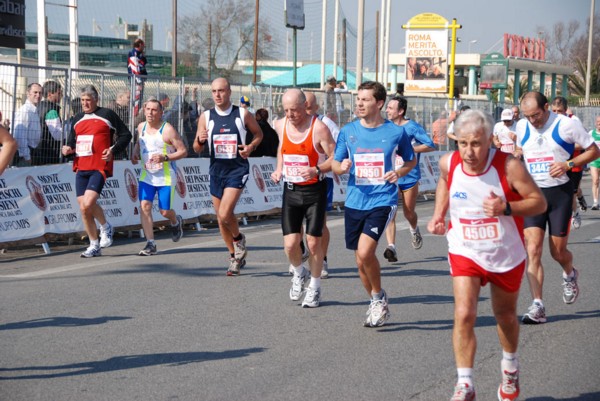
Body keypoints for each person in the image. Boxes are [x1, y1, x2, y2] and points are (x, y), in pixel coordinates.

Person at [427, 109, 547, 401]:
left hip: (504, 252)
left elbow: (539, 203)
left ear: (490, 141)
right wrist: (439, 214)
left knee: (505, 316)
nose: (469, 151)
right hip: (464, 248)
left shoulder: (509, 167)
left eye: (477, 144)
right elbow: (445, 179)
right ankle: (465, 383)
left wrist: (506, 208)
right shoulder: (449, 162)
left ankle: (510, 367)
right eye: (463, 143)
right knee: (464, 313)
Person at [332, 81, 416, 327]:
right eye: (358, 99)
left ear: (379, 103)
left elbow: (410, 161)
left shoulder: (395, 132)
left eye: (365, 99)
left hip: (383, 199)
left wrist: (398, 173)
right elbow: (336, 163)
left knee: (367, 252)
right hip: (355, 200)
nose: (359, 103)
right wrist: (342, 166)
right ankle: (376, 298)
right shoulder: (348, 131)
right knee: (360, 260)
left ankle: (377, 299)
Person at [515, 91, 600, 324]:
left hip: (559, 194)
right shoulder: (521, 127)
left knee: (557, 252)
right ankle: (538, 305)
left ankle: (570, 274)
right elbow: (521, 149)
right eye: (527, 116)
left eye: (536, 115)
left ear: (547, 108)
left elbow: (594, 151)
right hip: (533, 194)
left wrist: (568, 164)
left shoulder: (566, 125)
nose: (532, 121)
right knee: (532, 249)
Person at [271, 89, 335, 307]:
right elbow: (282, 148)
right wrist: (279, 169)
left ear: (305, 107)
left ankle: (315, 287)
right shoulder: (281, 125)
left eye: (295, 110)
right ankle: (299, 273)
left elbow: (335, 158)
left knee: (313, 242)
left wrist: (317, 169)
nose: (290, 114)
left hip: (315, 191)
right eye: (286, 110)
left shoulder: (319, 128)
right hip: (291, 190)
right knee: (290, 245)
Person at [193, 77, 263, 276]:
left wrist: (250, 146)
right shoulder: (206, 116)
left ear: (229, 92)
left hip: (237, 170)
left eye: (221, 91)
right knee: (220, 219)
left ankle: (238, 238)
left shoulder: (241, 113)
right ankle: (234, 257)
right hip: (216, 171)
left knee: (225, 213)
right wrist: (200, 139)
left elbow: (258, 134)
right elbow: (196, 148)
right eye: (214, 91)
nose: (217, 95)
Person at [61, 85, 132, 258]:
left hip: (99, 166)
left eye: (88, 100)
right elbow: (72, 142)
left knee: (87, 204)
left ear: (96, 100)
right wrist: (67, 149)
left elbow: (126, 135)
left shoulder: (107, 114)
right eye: (83, 100)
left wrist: (113, 150)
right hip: (81, 167)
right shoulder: (77, 118)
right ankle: (95, 242)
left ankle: (104, 228)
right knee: (85, 208)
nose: (85, 103)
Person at [383, 96, 436, 262]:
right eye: (387, 107)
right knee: (390, 212)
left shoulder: (412, 127)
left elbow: (430, 145)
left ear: (401, 111)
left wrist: (410, 149)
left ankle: (414, 230)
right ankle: (391, 247)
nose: (387, 110)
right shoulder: (385, 127)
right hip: (391, 175)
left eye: (391, 108)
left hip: (409, 175)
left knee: (408, 212)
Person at [131, 99, 187, 256]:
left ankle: (175, 221)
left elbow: (183, 151)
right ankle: (150, 243)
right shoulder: (141, 127)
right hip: (146, 175)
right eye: (147, 109)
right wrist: (135, 152)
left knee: (164, 211)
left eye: (154, 110)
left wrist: (165, 158)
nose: (150, 112)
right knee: (145, 206)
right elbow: (139, 143)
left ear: (161, 112)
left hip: (165, 177)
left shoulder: (168, 130)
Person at [305, 91, 340, 278]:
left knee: (319, 222)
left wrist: (324, 164)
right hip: (296, 179)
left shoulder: (326, 124)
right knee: (297, 222)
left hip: (321, 179)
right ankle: (302, 253)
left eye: (309, 107)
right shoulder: (291, 123)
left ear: (316, 107)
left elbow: (339, 147)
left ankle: (322, 259)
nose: (305, 111)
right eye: (302, 106)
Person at [551, 96, 588, 228]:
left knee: (572, 192)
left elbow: (585, 145)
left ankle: (575, 213)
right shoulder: (548, 123)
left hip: (573, 165)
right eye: (554, 111)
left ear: (566, 110)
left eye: (559, 111)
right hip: (556, 165)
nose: (556, 114)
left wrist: (567, 145)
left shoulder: (573, 121)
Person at [32, 80, 63, 166]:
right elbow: (57, 135)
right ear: (50, 94)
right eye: (59, 93)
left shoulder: (38, 106)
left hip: (39, 150)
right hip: (50, 153)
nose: (61, 96)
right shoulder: (52, 110)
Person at [12, 83, 42, 167]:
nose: (38, 95)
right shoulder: (25, 111)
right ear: (28, 93)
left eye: (40, 93)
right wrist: (27, 156)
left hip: (32, 152)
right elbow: (19, 136)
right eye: (35, 92)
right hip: (24, 155)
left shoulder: (33, 110)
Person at [108, 90, 132, 160]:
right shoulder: (111, 109)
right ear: (121, 97)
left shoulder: (125, 110)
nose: (130, 100)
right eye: (128, 97)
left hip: (121, 141)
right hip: (114, 143)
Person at [128, 38, 147, 117]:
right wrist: (138, 81)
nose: (144, 47)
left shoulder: (139, 54)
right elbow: (135, 68)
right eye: (143, 45)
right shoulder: (134, 53)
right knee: (136, 98)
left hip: (139, 79)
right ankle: (133, 117)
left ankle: (135, 115)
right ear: (140, 45)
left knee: (139, 99)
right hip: (137, 80)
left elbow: (143, 63)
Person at [589, 116, 600, 210]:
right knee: (595, 180)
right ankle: (595, 202)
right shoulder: (591, 133)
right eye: (597, 121)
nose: (599, 123)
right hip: (594, 161)